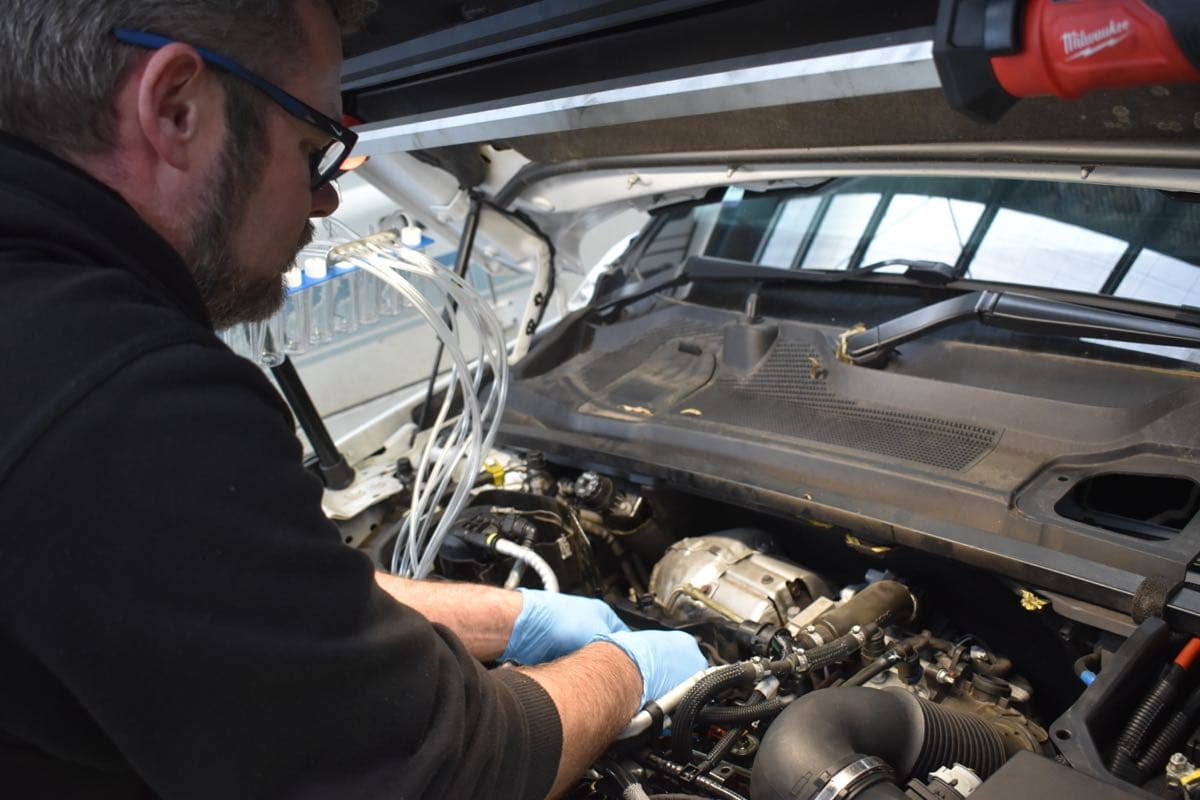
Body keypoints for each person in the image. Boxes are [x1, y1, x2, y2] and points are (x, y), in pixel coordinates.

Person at [0, 2, 706, 798]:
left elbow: (245, 600)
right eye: (313, 149)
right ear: (175, 109)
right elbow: (440, 774)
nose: (325, 202)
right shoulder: (115, 396)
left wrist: (512, 620)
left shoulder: (42, 322)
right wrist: (625, 669)